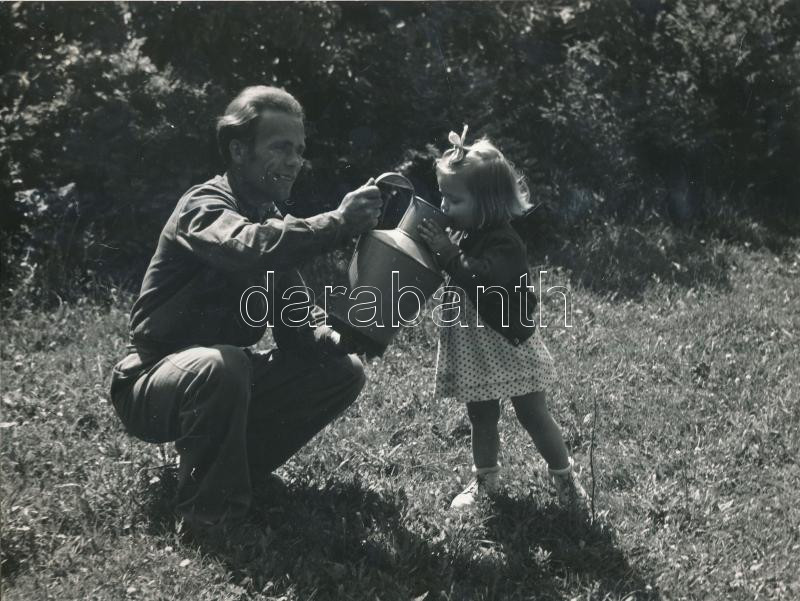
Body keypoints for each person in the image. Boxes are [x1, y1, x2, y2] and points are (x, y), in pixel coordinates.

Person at [109, 86, 383, 541]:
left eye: (299, 149)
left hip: (219, 382)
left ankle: (234, 472)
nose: (295, 161)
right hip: (151, 381)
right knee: (225, 363)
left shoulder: (267, 218)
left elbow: (297, 326)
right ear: (238, 150)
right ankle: (210, 517)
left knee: (341, 370)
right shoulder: (204, 207)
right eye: (280, 148)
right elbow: (247, 250)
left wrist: (339, 337)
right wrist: (337, 221)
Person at [417, 126, 589, 511]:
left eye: (454, 200)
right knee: (480, 414)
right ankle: (485, 480)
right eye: (443, 196)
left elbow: (482, 278)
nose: (444, 207)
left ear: (489, 203)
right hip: (475, 348)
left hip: (508, 342)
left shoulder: (504, 242)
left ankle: (566, 479)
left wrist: (448, 255)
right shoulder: (464, 234)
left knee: (532, 413)